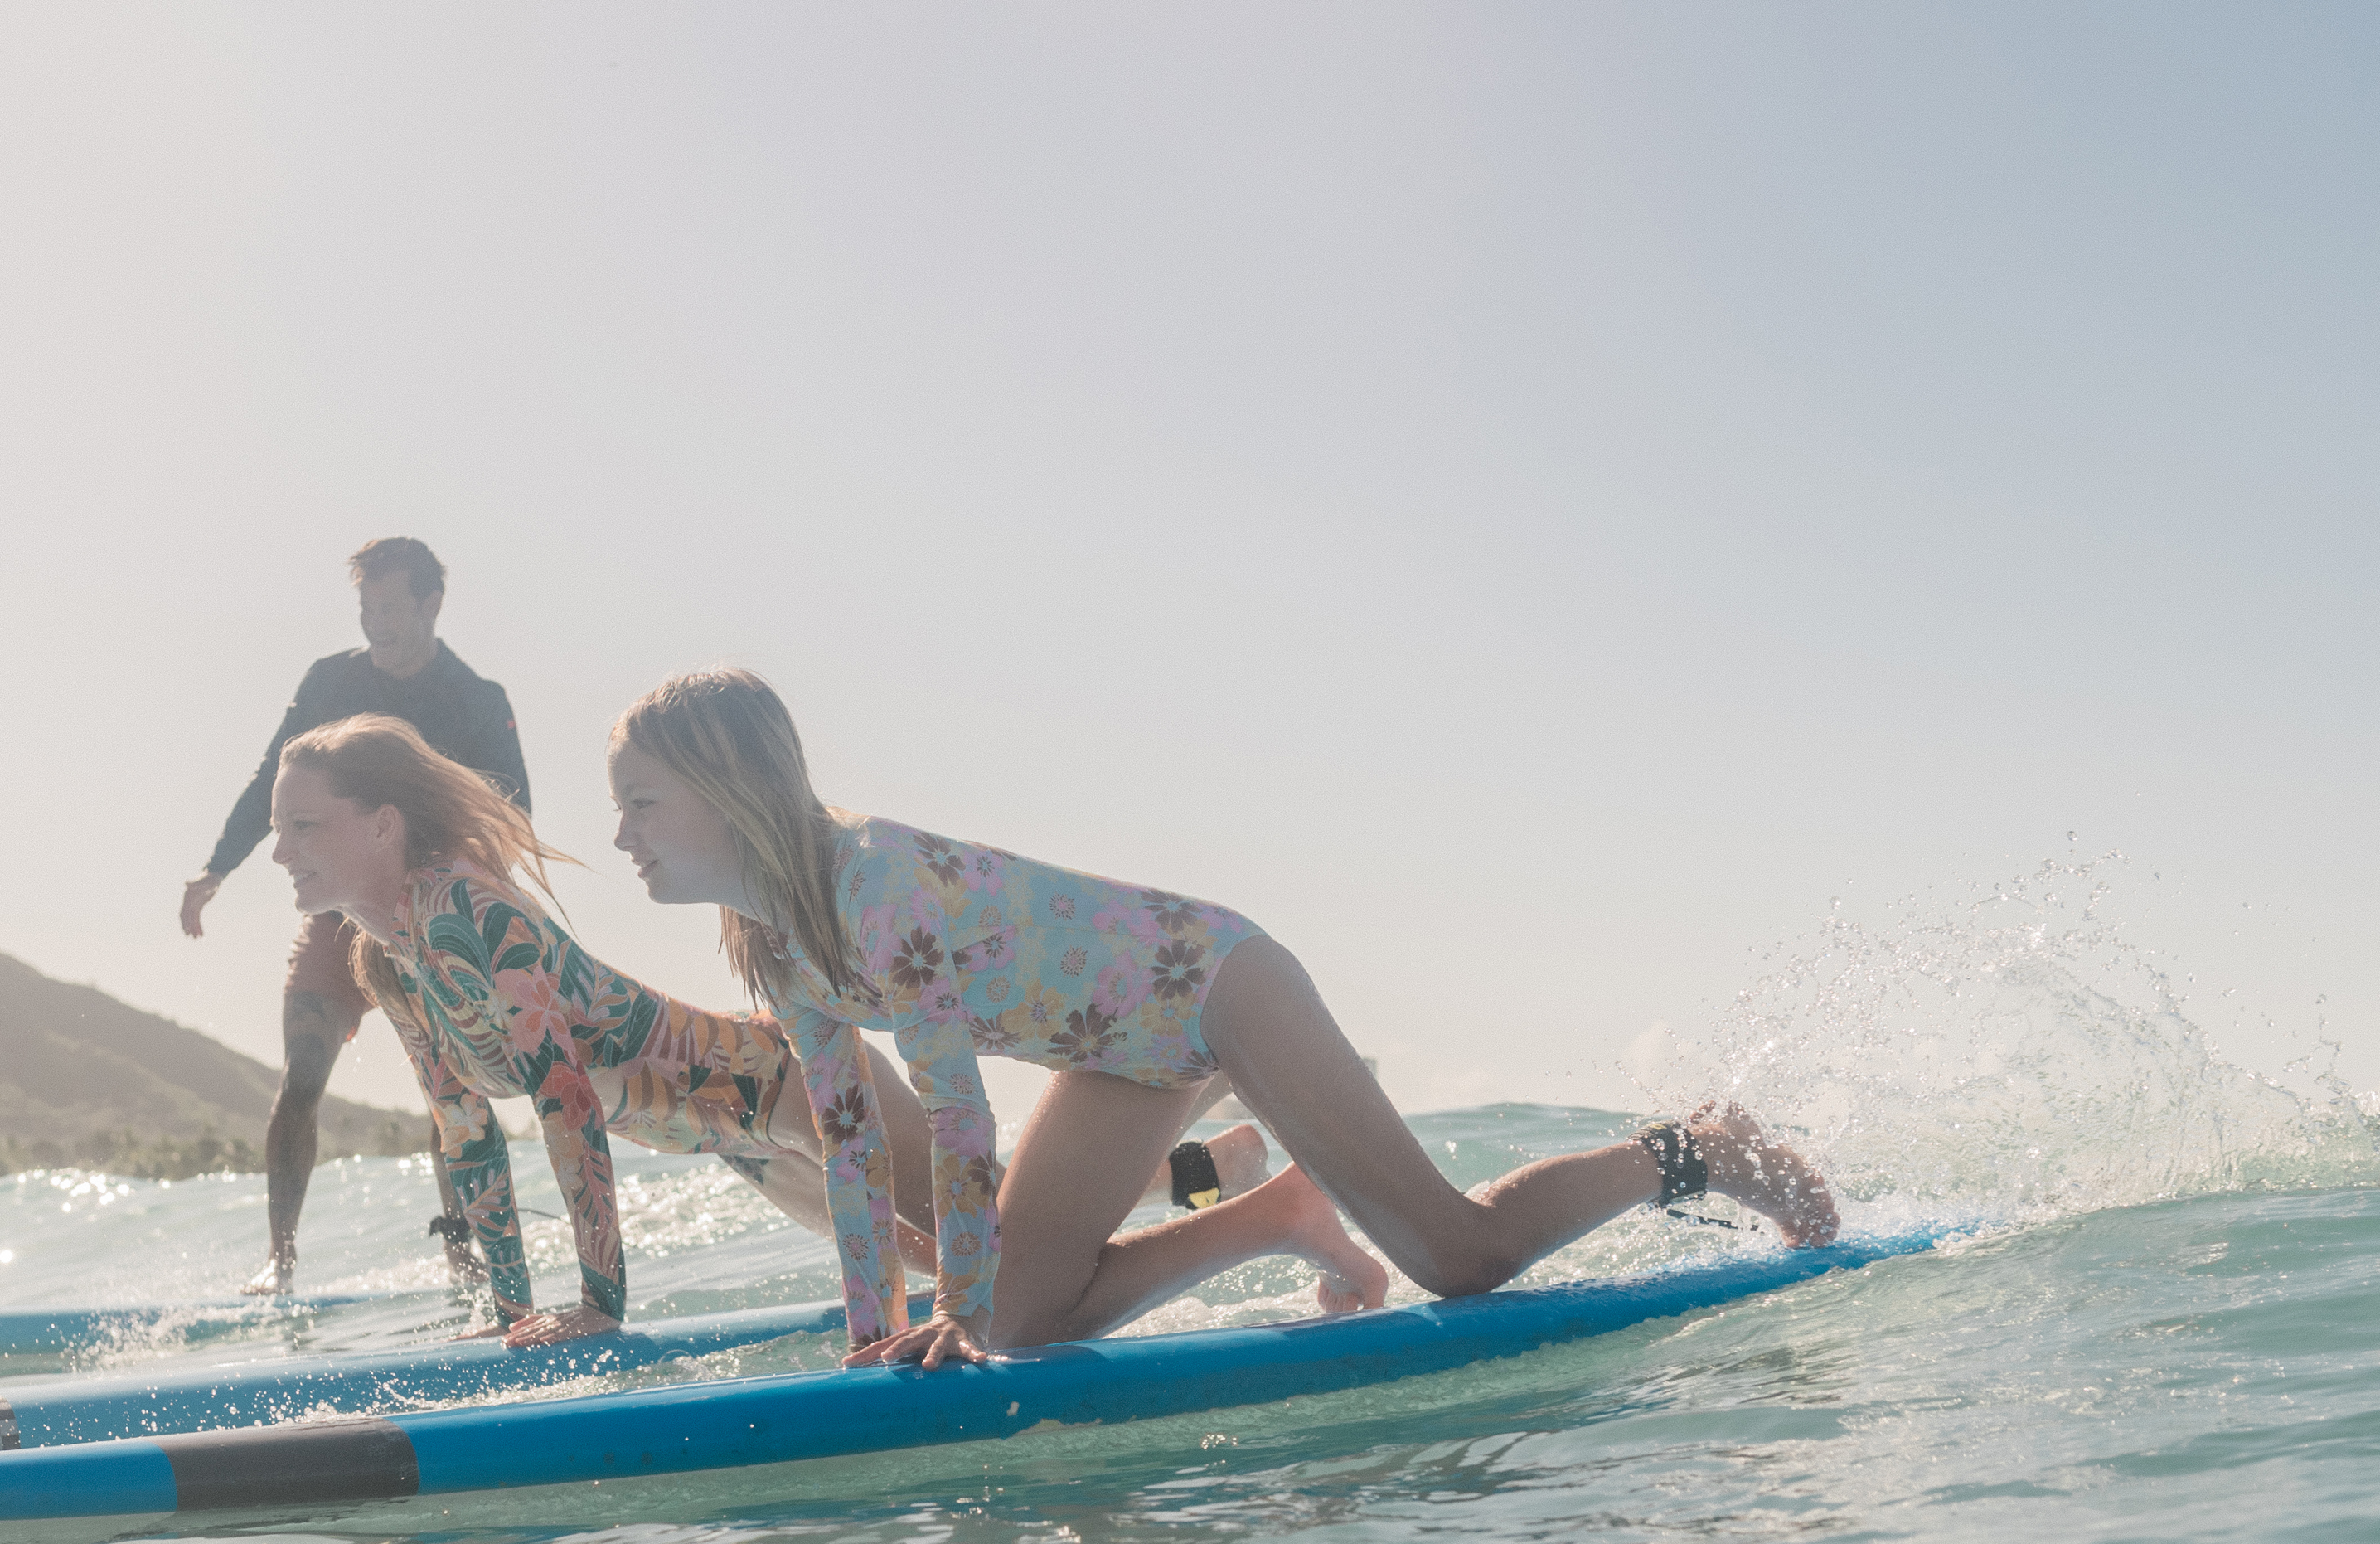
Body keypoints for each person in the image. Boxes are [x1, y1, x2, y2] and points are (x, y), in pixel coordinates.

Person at [603, 668, 1842, 1371]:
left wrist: (952, 1317)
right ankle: (1282, 1216)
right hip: (1119, 1053)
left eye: (644, 805)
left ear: (725, 792)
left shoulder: (869, 886)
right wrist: (880, 1335)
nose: (623, 838)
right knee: (1024, 1323)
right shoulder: (779, 947)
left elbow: (958, 1125)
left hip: (1215, 984)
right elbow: (854, 1144)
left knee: (1457, 1262)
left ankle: (1694, 1148)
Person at [266, 714, 948, 1345]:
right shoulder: (389, 961)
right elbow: (465, 1131)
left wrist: (599, 1304)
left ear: (384, 825)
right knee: (948, 1265)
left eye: (302, 825)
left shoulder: (464, 908)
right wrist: (513, 1313)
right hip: (737, 1139)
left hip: (786, 1080)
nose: (279, 854)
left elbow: (565, 1096)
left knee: (1004, 1230)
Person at [180, 537, 533, 1294]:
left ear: (431, 603)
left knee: (453, 1090)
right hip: (340, 917)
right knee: (302, 1076)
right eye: (365, 607)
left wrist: (493, 924)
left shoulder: (476, 702)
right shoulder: (329, 682)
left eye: (390, 607)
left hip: (432, 923)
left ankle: (466, 1254)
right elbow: (270, 772)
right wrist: (218, 865)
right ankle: (281, 1258)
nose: (375, 622)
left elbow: (513, 818)